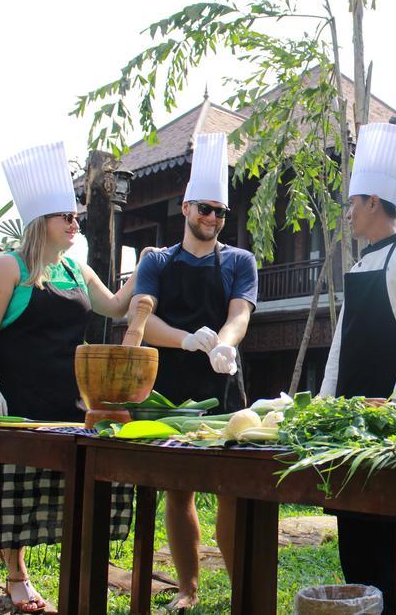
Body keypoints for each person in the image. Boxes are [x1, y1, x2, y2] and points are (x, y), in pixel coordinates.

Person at [0, 142, 152, 613]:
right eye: (64, 215)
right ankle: (15, 573)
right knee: (12, 486)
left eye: (76, 216)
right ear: (39, 220)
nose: (73, 222)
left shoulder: (73, 267)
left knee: (64, 487)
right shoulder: (10, 266)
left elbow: (113, 305)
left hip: (68, 397)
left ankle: (75, 570)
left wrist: (144, 266)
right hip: (14, 394)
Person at [128, 132, 258, 611]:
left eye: (220, 212)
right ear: (185, 208)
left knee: (230, 489)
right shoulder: (157, 261)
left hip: (222, 382)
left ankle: (244, 585)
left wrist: (223, 345)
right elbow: (142, 317)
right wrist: (185, 339)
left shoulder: (240, 260)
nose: (213, 218)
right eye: (205, 208)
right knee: (177, 490)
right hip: (170, 388)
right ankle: (188, 589)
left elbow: (240, 313)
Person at [319, 122, 396, 613]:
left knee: (395, 550)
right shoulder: (359, 268)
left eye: (352, 203)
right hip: (349, 429)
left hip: (386, 433)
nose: (347, 213)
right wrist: (325, 406)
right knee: (355, 546)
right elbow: (340, 348)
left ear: (373, 203)